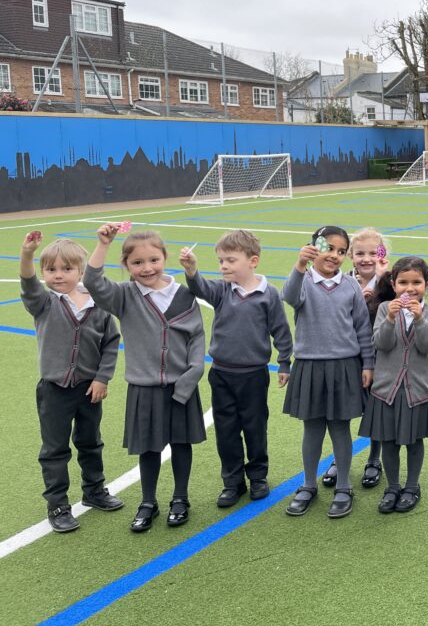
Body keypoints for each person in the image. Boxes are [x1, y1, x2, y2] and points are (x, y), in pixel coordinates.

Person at [85, 225, 206, 533]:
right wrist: (103, 245)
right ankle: (148, 502)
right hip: (144, 388)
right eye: (137, 263)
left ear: (165, 258)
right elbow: (93, 283)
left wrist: (189, 380)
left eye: (154, 260)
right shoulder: (124, 296)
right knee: (148, 448)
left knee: (181, 444)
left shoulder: (184, 294)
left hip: (182, 387)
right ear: (126, 265)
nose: (147, 268)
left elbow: (197, 339)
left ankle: (180, 499)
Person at [179, 230, 293, 508]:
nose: (224, 266)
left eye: (230, 260)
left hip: (253, 376)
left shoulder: (269, 294)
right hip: (221, 374)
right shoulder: (221, 290)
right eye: (220, 261)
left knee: (255, 427)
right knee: (226, 430)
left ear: (253, 261)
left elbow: (281, 330)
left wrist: (284, 361)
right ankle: (232, 482)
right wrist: (192, 270)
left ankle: (257, 477)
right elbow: (200, 289)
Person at [20, 233, 123, 533]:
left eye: (66, 269)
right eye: (51, 270)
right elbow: (28, 282)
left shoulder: (98, 304)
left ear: (81, 271)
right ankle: (58, 504)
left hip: (90, 388)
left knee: (91, 442)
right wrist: (28, 253)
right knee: (55, 449)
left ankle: (94, 490)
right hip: (54, 391)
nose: (58, 275)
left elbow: (111, 343)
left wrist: (102, 378)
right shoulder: (43, 302)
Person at [281, 226, 373, 519]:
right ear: (314, 247)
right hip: (309, 365)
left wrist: (367, 363)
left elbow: (362, 327)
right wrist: (299, 265)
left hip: (344, 365)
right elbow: (290, 296)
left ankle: (344, 486)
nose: (334, 255)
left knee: (340, 428)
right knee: (312, 429)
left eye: (341, 251)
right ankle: (308, 485)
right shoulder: (304, 281)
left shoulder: (350, 286)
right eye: (328, 248)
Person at [361, 256, 428, 514]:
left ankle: (412, 486)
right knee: (388, 441)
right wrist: (390, 319)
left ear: (427, 284)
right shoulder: (383, 309)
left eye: (416, 282)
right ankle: (392, 487)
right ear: (392, 283)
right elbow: (381, 343)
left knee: (413, 441)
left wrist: (421, 319)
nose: (409, 288)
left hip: (416, 389)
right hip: (386, 389)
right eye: (402, 282)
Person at [322, 227, 391, 491]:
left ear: (382, 254)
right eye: (360, 253)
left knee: (375, 410)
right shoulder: (341, 281)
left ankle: (374, 459)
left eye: (373, 253)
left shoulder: (391, 283)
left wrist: (384, 283)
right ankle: (340, 460)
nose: (366, 259)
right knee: (341, 411)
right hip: (345, 356)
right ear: (350, 255)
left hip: (380, 358)